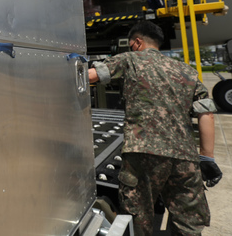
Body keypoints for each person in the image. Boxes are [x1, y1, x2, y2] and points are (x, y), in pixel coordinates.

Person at [87, 21, 222, 236]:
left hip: (143, 154)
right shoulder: (186, 70)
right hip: (184, 156)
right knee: (188, 221)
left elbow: (90, 77)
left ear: (138, 42)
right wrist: (207, 157)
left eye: (131, 44)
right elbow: (206, 113)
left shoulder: (130, 59)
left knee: (139, 218)